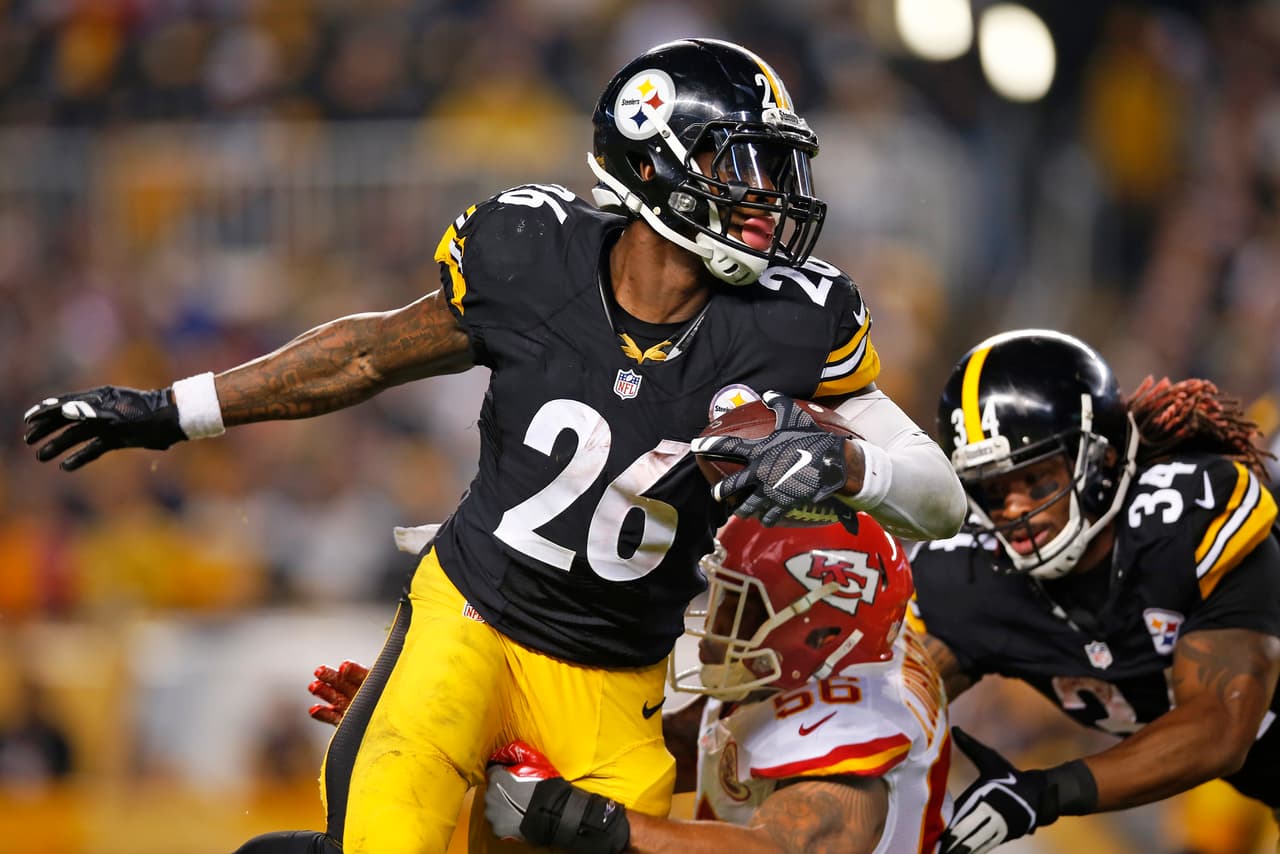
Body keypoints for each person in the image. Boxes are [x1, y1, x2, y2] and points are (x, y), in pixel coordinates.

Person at [22, 38, 966, 854]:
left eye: (773, 169)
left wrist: (854, 465)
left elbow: (939, 493)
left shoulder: (791, 322)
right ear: (651, 167)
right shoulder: (532, 253)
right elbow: (366, 354)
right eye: (740, 166)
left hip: (617, 687)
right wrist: (174, 409)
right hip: (471, 625)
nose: (767, 199)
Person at [310, 512, 953, 853]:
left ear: (821, 630)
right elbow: (682, 749)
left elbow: (783, 848)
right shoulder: (826, 666)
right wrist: (445, 717)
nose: (714, 628)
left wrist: (579, 817)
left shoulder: (852, 724)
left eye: (740, 607)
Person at [904, 329, 1280, 854]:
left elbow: (1219, 728)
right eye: (993, 489)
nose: (1015, 510)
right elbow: (884, 710)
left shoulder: (1183, 522)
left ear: (1101, 459)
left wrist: (1044, 792)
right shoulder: (969, 578)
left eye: (1036, 480)